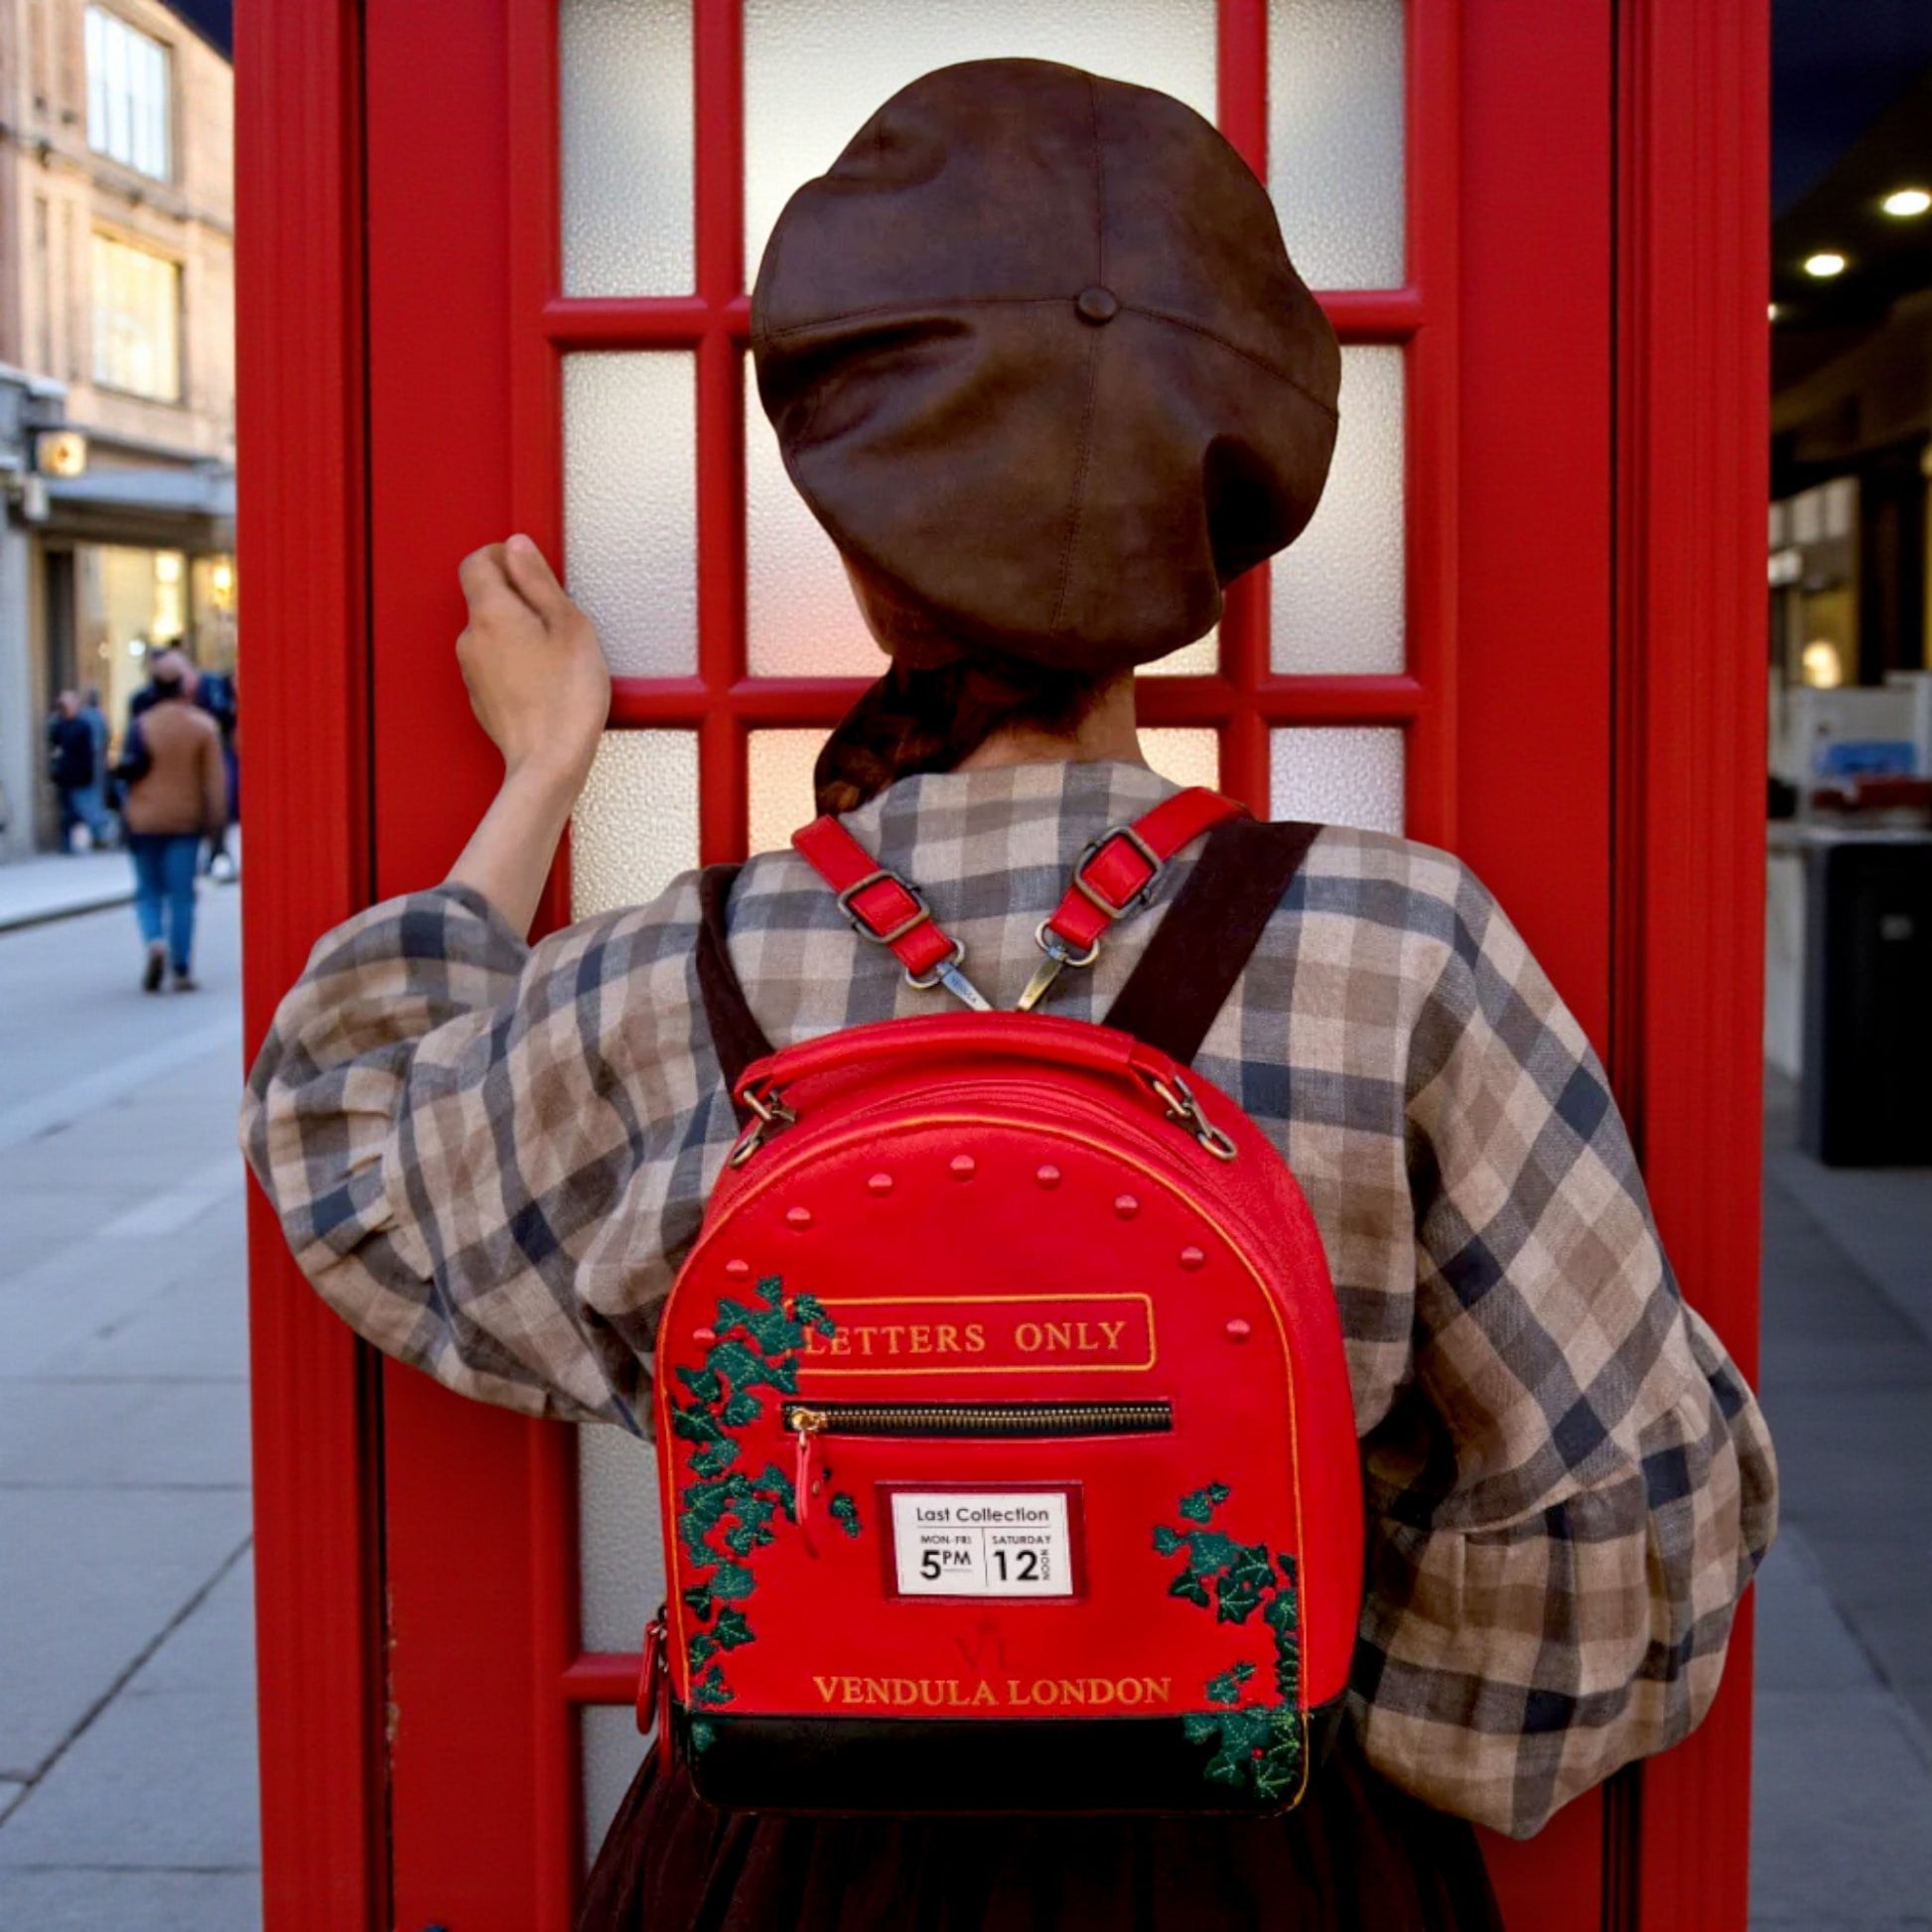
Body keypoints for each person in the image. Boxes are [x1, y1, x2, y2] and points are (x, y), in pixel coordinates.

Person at [241, 61, 1775, 1931]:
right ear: (1209, 547)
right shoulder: (1404, 945)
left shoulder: (684, 969)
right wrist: (1374, 1731)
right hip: (1251, 1864)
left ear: (858, 541)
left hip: (789, 1864)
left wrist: (541, 772)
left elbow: (347, 1153)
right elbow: (1619, 1511)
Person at [122, 650, 225, 991]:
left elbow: (128, 773)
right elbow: (214, 786)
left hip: (144, 820)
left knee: (148, 892)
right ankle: (180, 967)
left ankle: (155, 941)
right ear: (185, 687)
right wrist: (217, 832)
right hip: (184, 822)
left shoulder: (141, 724)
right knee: (182, 896)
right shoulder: (202, 727)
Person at [46, 690, 112, 852]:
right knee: (67, 811)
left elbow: (88, 751)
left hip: (81, 774)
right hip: (65, 774)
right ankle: (66, 844)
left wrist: (88, 773)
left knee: (89, 808)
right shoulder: (58, 726)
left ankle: (100, 837)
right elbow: (54, 746)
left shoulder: (83, 726)